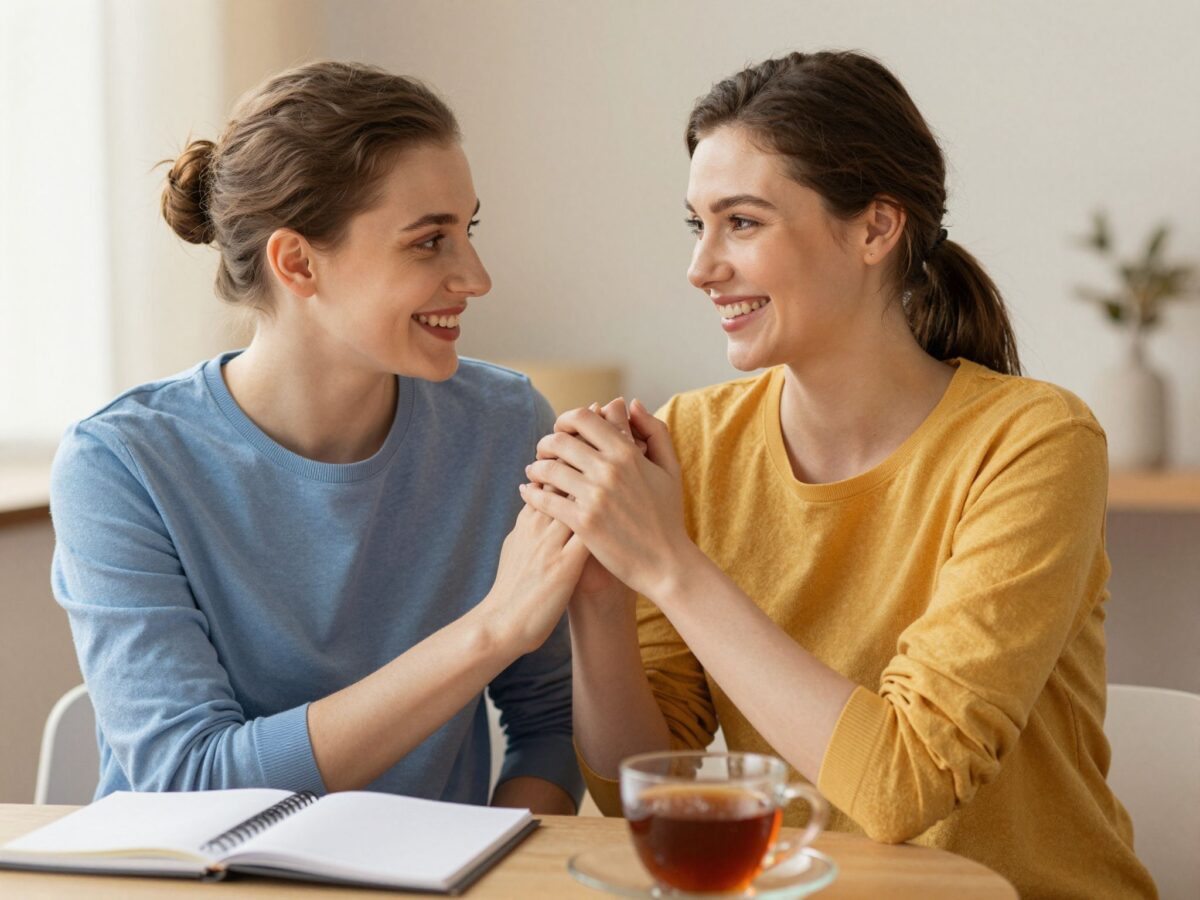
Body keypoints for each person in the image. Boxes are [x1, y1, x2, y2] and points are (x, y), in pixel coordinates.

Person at [521, 51, 1157, 896]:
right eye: (696, 225)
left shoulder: (1035, 442)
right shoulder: (694, 439)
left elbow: (905, 785)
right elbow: (636, 785)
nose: (701, 267)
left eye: (742, 223)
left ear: (873, 229)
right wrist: (604, 599)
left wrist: (670, 564)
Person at [50, 61, 587, 814]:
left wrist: (493, 862)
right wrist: (489, 631)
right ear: (297, 262)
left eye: (468, 230)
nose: (475, 275)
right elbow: (188, 781)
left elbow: (551, 722)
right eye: (430, 241)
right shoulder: (120, 464)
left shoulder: (504, 425)